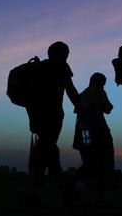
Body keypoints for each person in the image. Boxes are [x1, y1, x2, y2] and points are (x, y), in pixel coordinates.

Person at [23, 41, 80, 203]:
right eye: (66, 54)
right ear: (60, 54)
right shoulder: (62, 67)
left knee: (47, 148)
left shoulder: (38, 68)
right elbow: (70, 89)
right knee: (47, 149)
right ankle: (52, 188)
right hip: (53, 115)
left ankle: (40, 188)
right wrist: (81, 107)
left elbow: (29, 96)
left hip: (37, 115)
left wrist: (32, 118)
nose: (66, 57)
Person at [72, 72, 114, 202]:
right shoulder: (99, 92)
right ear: (100, 82)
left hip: (83, 131)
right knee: (104, 161)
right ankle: (99, 194)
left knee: (89, 161)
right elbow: (108, 108)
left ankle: (76, 187)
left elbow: (77, 111)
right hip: (98, 130)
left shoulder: (82, 94)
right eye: (103, 83)